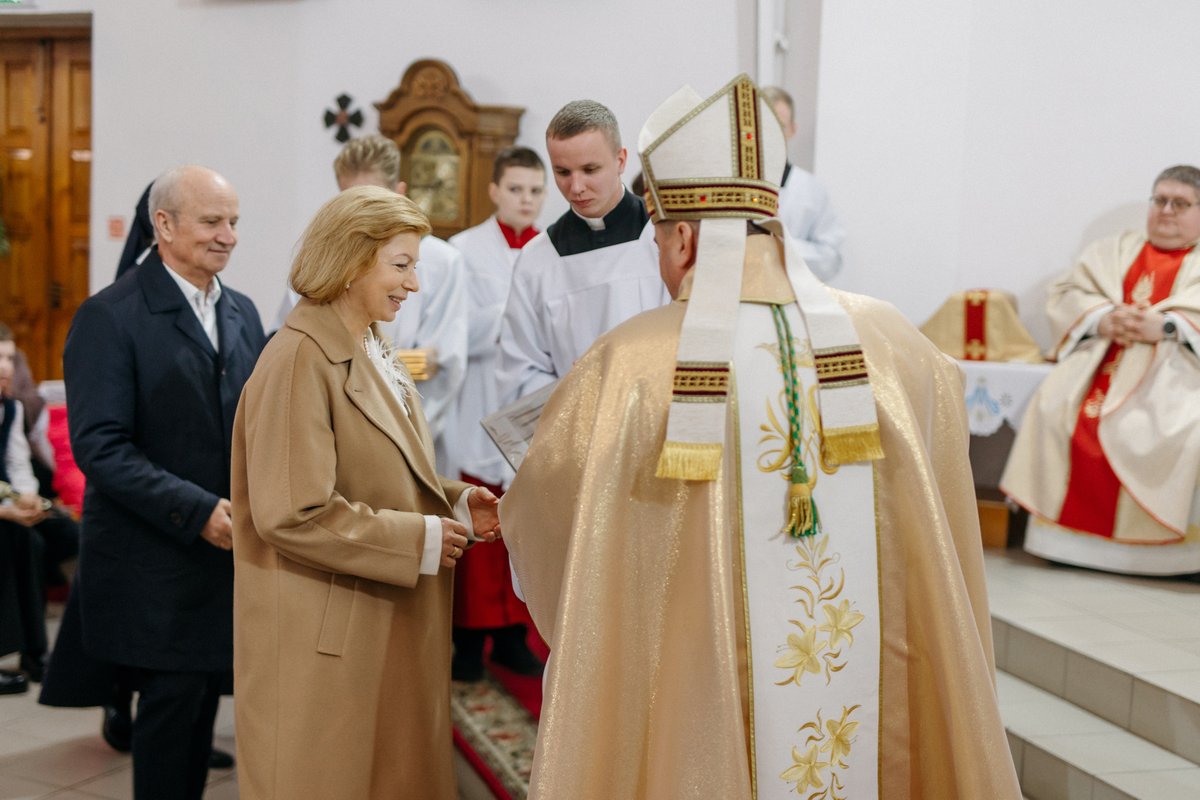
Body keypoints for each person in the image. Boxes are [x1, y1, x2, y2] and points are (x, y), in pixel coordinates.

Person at [501, 75, 1020, 799]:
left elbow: (555, 509)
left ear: (683, 238)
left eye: (660, 238)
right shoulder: (895, 342)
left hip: (699, 685)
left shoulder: (632, 364)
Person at [232, 186, 501, 800]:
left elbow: (380, 466)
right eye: (401, 265)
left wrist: (455, 503)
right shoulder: (298, 359)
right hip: (328, 633)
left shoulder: (371, 343)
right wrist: (419, 539)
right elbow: (292, 512)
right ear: (351, 260)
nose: (414, 285)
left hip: (374, 617)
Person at [60, 165, 265, 799]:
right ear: (165, 225)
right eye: (212, 222)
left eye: (234, 222)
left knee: (200, 709)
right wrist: (197, 510)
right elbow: (100, 446)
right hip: (155, 558)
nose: (228, 236)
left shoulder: (241, 309)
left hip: (223, 555)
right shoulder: (110, 315)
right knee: (170, 719)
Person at [1002, 165, 1200, 575]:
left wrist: (1168, 326)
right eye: (1160, 200)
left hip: (1174, 372)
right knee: (1054, 407)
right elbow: (1067, 294)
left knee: (1182, 426)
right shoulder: (1114, 249)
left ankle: (1167, 559)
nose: (1166, 211)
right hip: (1102, 361)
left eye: (1180, 204)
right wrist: (1102, 318)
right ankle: (1061, 544)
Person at [271, 135, 467, 472]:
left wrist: (401, 442)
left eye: (372, 199)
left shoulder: (443, 261)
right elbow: (291, 348)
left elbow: (442, 364)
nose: (359, 214)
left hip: (408, 435)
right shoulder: (321, 264)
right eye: (349, 199)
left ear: (399, 192)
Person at [448, 146, 547, 681]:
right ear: (494, 191)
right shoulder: (462, 251)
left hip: (531, 400)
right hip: (481, 394)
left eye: (535, 190)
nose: (526, 200)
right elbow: (454, 331)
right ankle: (467, 638)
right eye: (515, 189)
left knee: (522, 521)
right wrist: (509, 313)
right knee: (478, 515)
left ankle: (512, 633)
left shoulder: (553, 250)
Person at [496, 99, 668, 406]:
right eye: (562, 171)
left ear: (620, 160)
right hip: (574, 422)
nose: (576, 187)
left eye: (590, 170)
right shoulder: (538, 260)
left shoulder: (664, 238)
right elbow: (520, 370)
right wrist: (575, 391)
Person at [0, 323, 56, 696]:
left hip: (6, 504)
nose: (6, 366)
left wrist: (29, 497)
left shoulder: (12, 408)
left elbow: (18, 464)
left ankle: (36, 652)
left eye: (10, 357)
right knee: (14, 539)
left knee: (47, 538)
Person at [759, 85, 846, 282]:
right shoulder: (731, 186)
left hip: (793, 294)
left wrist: (781, 244)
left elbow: (830, 261)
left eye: (779, 126)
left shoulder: (811, 191)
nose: (771, 134)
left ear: (792, 129)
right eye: (764, 124)